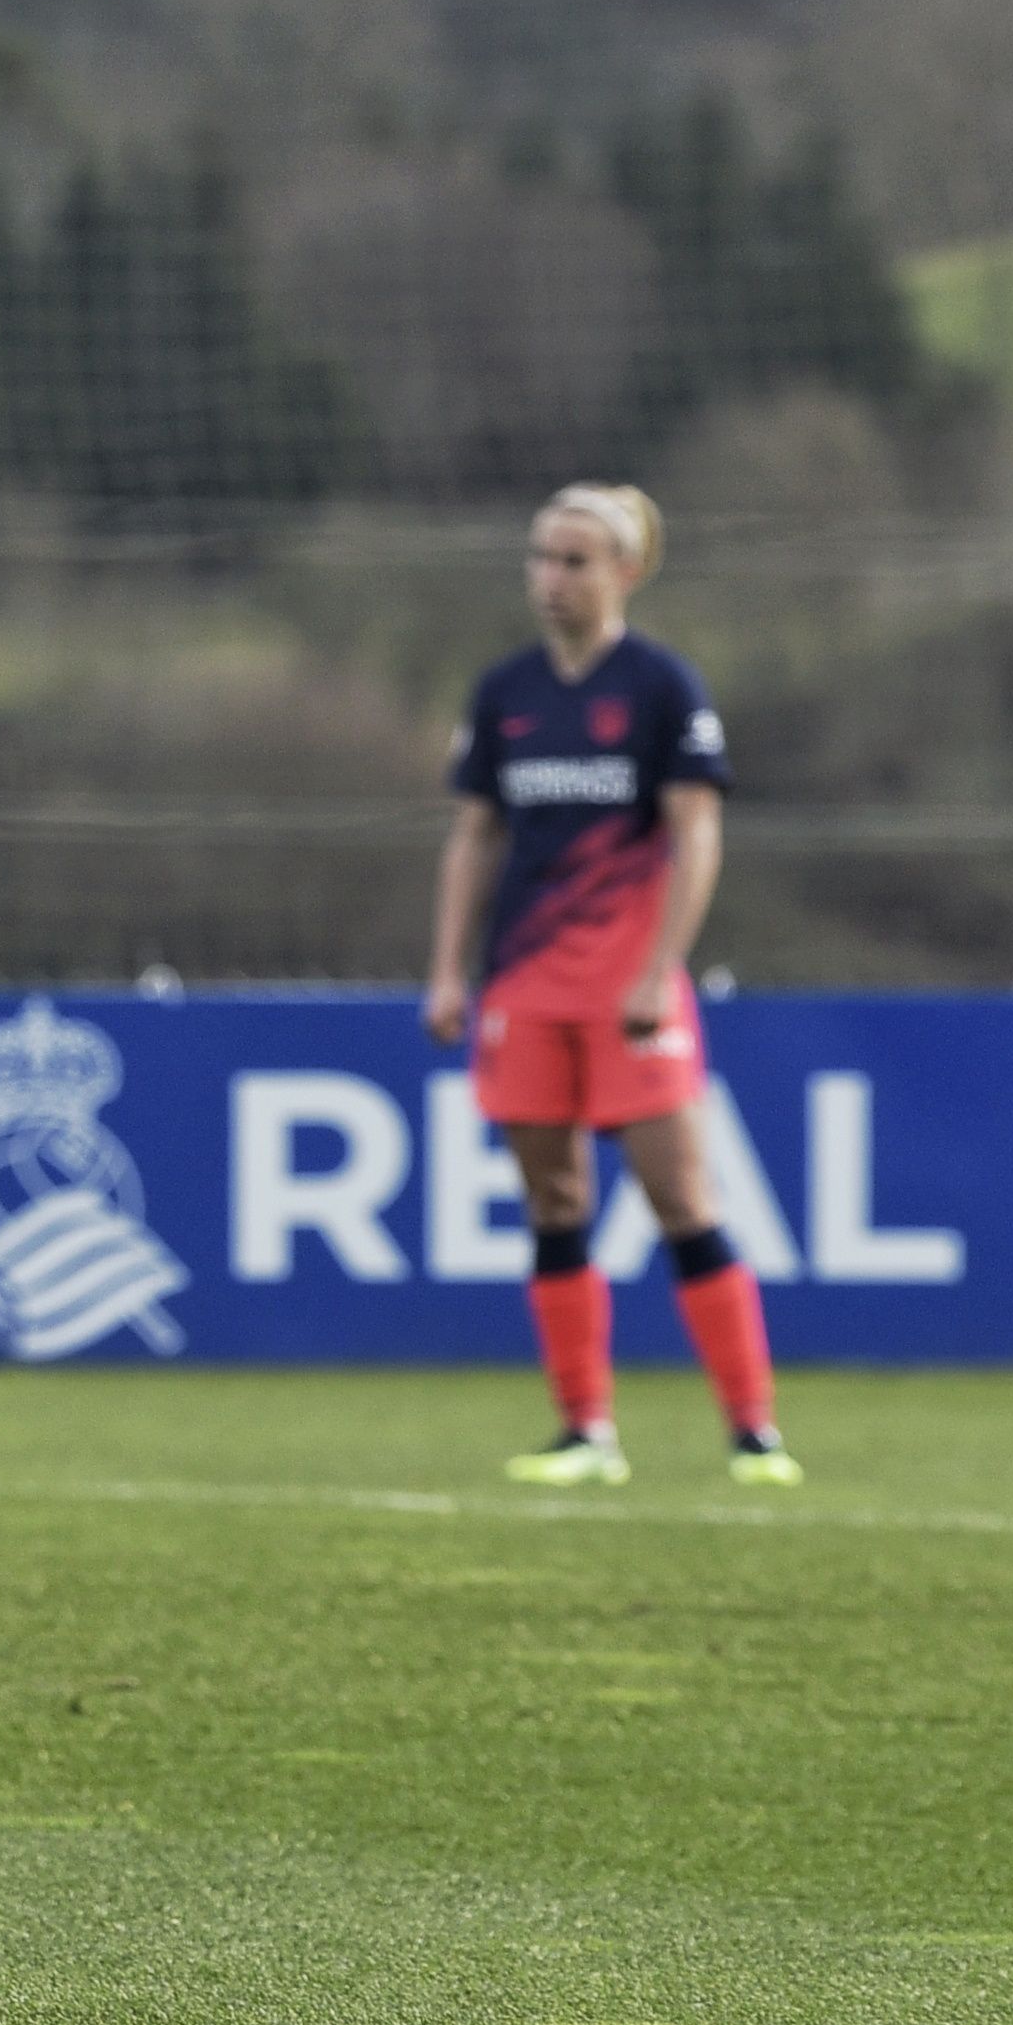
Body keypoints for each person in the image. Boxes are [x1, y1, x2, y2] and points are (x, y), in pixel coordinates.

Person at [423, 482, 797, 1489]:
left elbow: (695, 834)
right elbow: (473, 837)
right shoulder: (504, 692)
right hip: (526, 986)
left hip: (629, 989)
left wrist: (656, 966)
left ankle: (751, 1429)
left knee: (679, 1195)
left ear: (625, 570)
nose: (552, 576)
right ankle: (585, 1428)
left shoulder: (662, 686)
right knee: (552, 1198)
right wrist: (448, 971)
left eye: (575, 558)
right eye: (542, 555)